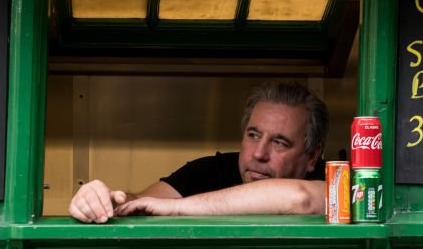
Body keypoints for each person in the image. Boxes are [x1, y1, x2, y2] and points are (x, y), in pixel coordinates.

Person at [68, 81, 328, 223]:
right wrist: (101, 200)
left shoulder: (333, 178)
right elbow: (140, 203)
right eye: (253, 135)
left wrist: (177, 208)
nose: (259, 153)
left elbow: (300, 198)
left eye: (279, 142)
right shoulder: (209, 170)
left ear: (312, 156)